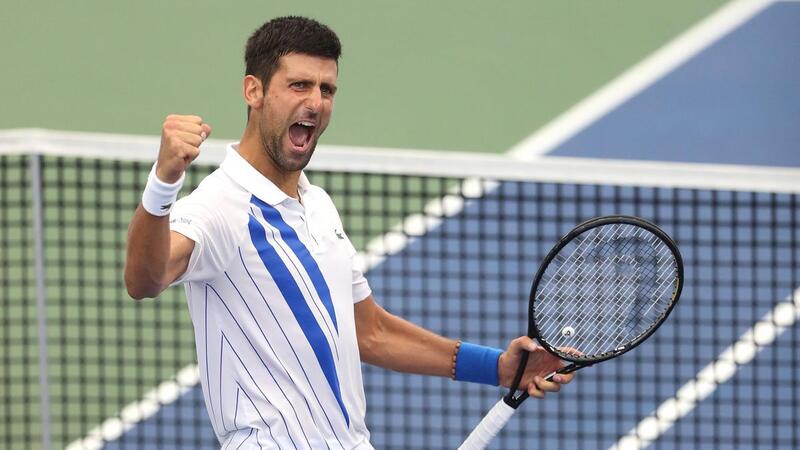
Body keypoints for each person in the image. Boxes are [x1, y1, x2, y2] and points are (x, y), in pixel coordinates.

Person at [124, 16, 573, 450]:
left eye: (327, 89)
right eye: (299, 85)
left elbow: (370, 331)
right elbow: (144, 279)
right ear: (253, 90)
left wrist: (497, 367)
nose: (316, 102)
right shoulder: (219, 206)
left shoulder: (317, 205)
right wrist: (164, 182)